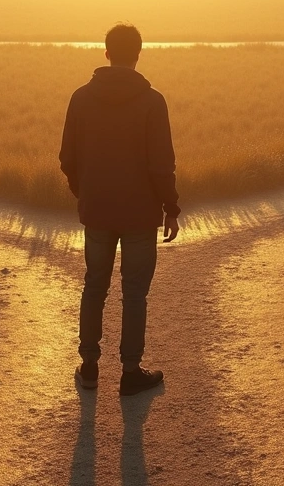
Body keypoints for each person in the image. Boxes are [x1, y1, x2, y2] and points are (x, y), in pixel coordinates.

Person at [59, 23, 180, 397]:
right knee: (134, 293)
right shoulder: (152, 101)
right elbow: (161, 165)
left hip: (96, 210)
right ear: (138, 54)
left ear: (106, 53)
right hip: (140, 214)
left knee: (94, 285)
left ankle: (90, 366)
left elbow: (68, 158)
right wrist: (170, 207)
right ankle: (130, 371)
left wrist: (86, 192)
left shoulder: (81, 98)